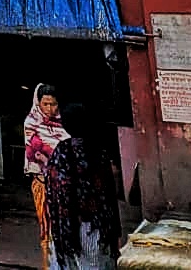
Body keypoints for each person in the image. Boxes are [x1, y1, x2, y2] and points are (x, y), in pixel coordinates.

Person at [42, 105, 120, 270]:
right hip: (99, 225)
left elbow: (54, 192)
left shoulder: (62, 152)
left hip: (69, 227)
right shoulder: (99, 151)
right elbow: (110, 193)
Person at [23, 83, 70, 270]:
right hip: (43, 184)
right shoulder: (32, 123)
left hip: (64, 186)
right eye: (46, 104)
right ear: (38, 103)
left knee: (65, 229)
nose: (50, 109)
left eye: (54, 104)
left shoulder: (64, 124)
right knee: (47, 228)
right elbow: (34, 153)